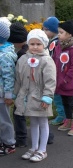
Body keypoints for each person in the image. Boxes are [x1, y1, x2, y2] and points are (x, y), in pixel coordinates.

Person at [14, 29, 56, 162]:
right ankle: (34, 147)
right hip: (28, 97)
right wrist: (15, 94)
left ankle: (42, 150)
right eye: (32, 44)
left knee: (43, 122)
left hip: (40, 97)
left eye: (38, 44)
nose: (35, 47)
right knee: (33, 122)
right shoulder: (23, 59)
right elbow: (18, 78)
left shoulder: (47, 61)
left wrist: (47, 97)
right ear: (28, 44)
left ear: (44, 44)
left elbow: (50, 80)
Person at [52, 20, 73, 136]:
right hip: (60, 81)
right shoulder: (59, 46)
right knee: (65, 102)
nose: (58, 34)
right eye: (58, 32)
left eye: (61, 32)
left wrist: (66, 79)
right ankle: (68, 121)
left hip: (69, 82)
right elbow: (55, 60)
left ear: (69, 34)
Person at [8, 22, 29, 148]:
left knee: (18, 113)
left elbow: (18, 74)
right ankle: (48, 136)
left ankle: (21, 138)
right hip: (33, 88)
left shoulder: (21, 54)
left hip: (23, 88)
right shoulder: (29, 50)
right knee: (34, 114)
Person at [43, 16, 66, 126]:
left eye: (46, 30)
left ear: (52, 30)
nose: (44, 32)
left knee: (57, 95)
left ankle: (61, 115)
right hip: (60, 73)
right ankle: (64, 114)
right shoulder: (58, 40)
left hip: (55, 73)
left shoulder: (54, 43)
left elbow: (51, 59)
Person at [0, 21, 17, 156]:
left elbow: (9, 76)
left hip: (2, 95)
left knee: (4, 119)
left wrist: (8, 94)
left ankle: (9, 143)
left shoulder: (5, 55)